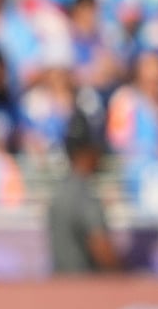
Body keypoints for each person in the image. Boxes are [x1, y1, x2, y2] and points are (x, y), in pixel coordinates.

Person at [46, 109, 122, 274]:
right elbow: (102, 249)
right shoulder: (85, 196)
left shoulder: (59, 192)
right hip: (85, 289)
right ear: (88, 152)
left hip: (60, 287)